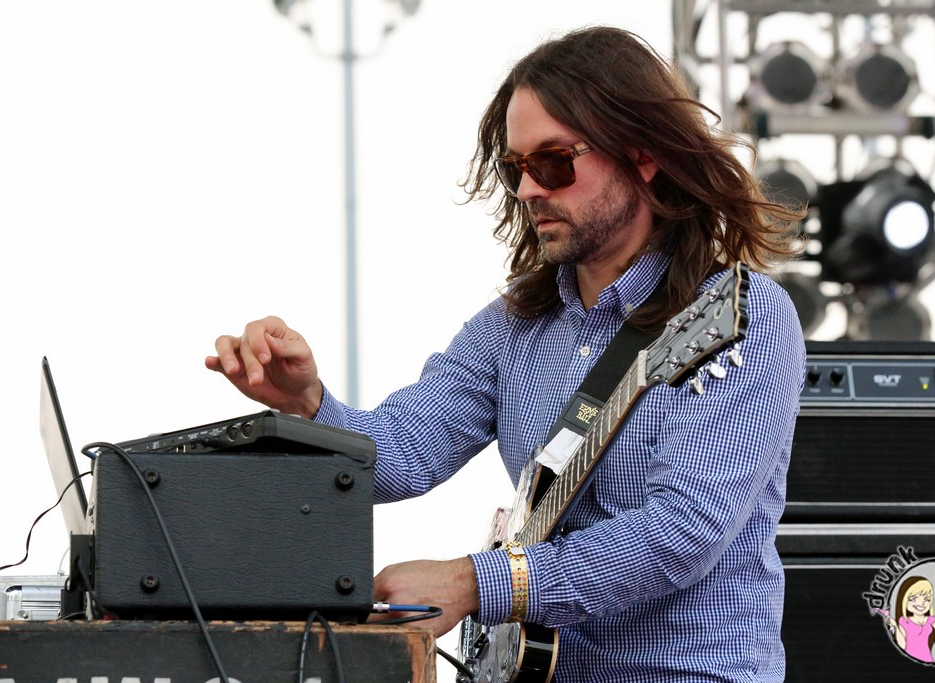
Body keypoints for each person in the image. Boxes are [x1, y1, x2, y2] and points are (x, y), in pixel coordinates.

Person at [206, 26, 806, 682]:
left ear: (642, 155)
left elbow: (681, 532)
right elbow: (402, 453)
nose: (527, 190)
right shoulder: (512, 326)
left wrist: (475, 583)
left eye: (553, 162)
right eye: (515, 168)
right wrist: (307, 404)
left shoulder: (742, 317)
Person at [887, 576, 935, 663]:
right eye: (913, 599)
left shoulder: (931, 620)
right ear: (904, 600)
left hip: (928, 660)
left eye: (927, 599)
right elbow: (902, 645)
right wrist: (894, 626)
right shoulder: (904, 621)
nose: (921, 603)